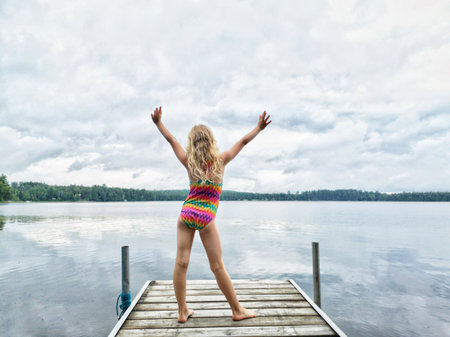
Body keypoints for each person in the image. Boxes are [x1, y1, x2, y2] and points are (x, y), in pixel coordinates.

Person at [151, 106, 271, 323]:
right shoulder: (221, 160)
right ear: (210, 141)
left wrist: (159, 122)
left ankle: (181, 311)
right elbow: (243, 142)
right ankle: (236, 309)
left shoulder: (189, 161)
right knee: (217, 266)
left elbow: (171, 141)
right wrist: (259, 128)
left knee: (181, 262)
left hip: (186, 213)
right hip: (206, 217)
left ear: (192, 143)